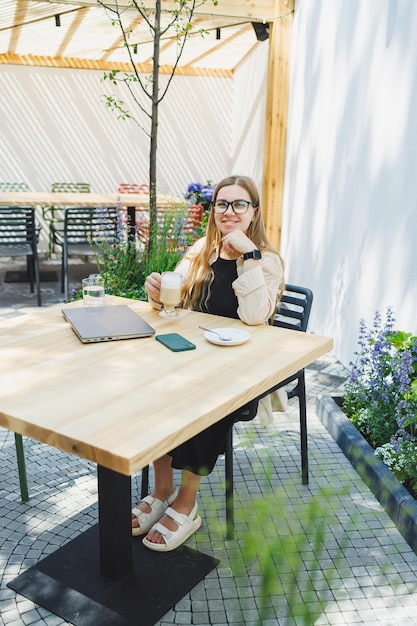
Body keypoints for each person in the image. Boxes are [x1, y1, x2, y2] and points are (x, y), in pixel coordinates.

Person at [132, 174, 285, 551]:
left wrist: (248, 256)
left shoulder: (267, 261)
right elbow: (175, 303)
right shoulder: (202, 249)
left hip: (238, 372)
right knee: (152, 392)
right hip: (192, 358)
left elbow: (255, 318)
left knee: (198, 403)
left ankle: (187, 501)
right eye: (222, 204)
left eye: (239, 204)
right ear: (213, 209)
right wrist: (156, 295)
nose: (229, 212)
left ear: (254, 212)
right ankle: (162, 489)